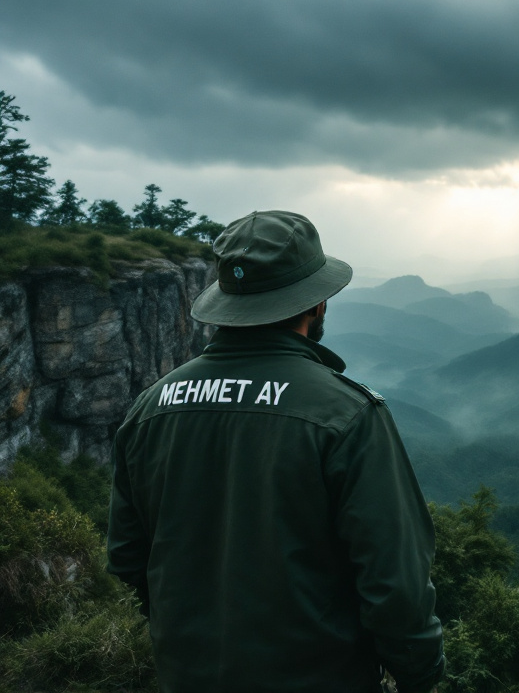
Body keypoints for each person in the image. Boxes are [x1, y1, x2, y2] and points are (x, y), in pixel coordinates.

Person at [107, 210, 444, 693]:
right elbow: (396, 582)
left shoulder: (150, 408)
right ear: (317, 303)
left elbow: (126, 559)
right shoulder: (345, 415)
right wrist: (420, 674)